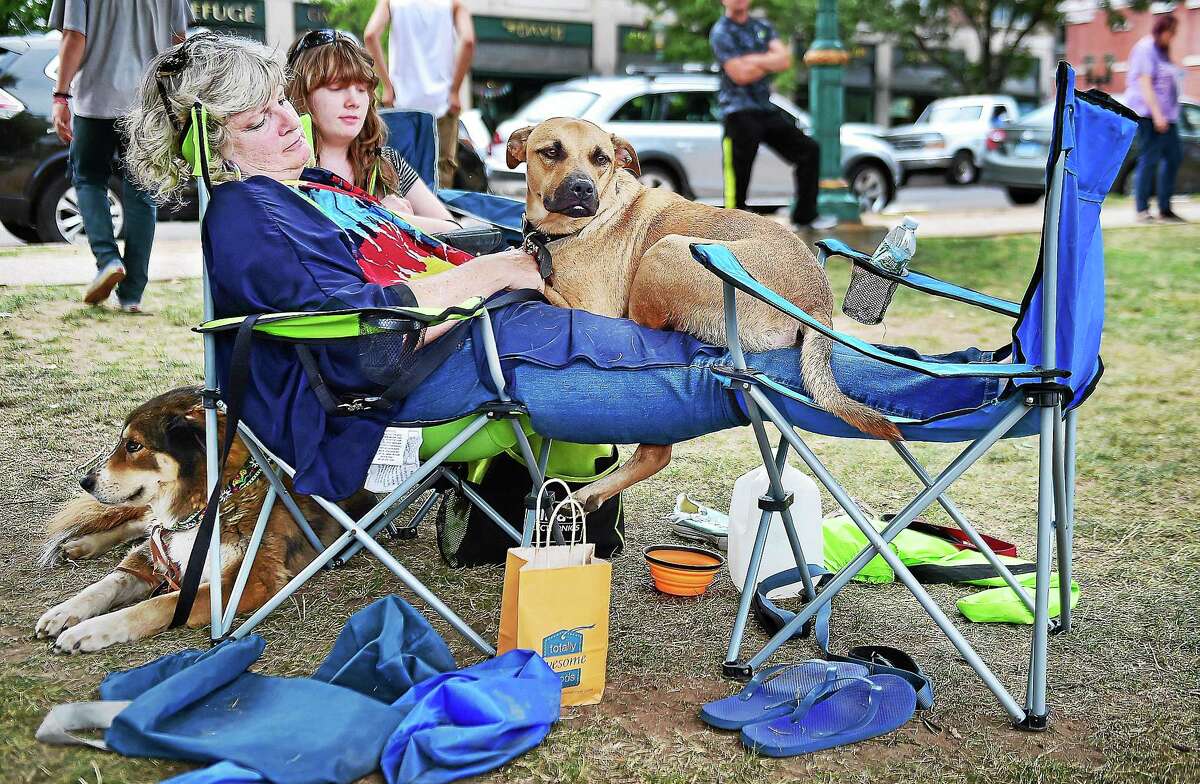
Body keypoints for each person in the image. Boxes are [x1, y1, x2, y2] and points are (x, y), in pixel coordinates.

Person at [124, 35, 971, 500]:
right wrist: (494, 277)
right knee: (740, 369)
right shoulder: (244, 213)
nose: (284, 125)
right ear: (212, 144)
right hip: (453, 361)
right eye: (256, 121)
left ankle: (948, 369)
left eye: (280, 107)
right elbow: (360, 324)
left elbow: (422, 234)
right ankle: (967, 388)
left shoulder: (308, 187)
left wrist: (491, 244)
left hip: (498, 328)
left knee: (753, 350)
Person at [49, 0, 192, 312]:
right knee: (142, 191)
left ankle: (108, 259)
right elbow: (178, 43)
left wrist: (61, 96)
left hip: (94, 101)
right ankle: (132, 295)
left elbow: (74, 35)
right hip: (146, 103)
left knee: (88, 179)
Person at [285, 29, 460, 235]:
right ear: (301, 95)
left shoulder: (387, 162)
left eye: (362, 89)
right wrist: (378, 216)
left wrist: (398, 219)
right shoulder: (284, 165)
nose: (353, 101)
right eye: (336, 87)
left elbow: (455, 232)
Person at [710, 0, 834, 231]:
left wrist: (751, 60)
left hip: (765, 108)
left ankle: (805, 216)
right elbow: (740, 75)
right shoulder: (721, 31)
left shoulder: (762, 26)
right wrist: (767, 60)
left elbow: (784, 60)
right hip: (737, 111)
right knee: (739, 172)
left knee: (809, 150)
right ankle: (734, 226)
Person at [364, 0, 476, 190]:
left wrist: (387, 86)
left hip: (401, 102)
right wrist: (455, 91)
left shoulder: (393, 2)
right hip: (442, 103)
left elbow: (370, 35)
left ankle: (401, 216)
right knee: (440, 171)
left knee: (396, 166)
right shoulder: (452, 4)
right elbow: (468, 41)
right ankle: (437, 216)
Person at [1125, 14, 1185, 223]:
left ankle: (1165, 209)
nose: (1173, 37)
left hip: (1168, 116)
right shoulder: (1145, 48)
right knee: (1149, 160)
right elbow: (1145, 84)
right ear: (1162, 30)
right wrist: (1158, 115)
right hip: (1150, 115)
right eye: (1172, 33)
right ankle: (1142, 209)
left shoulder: (1163, 52)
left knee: (1174, 157)